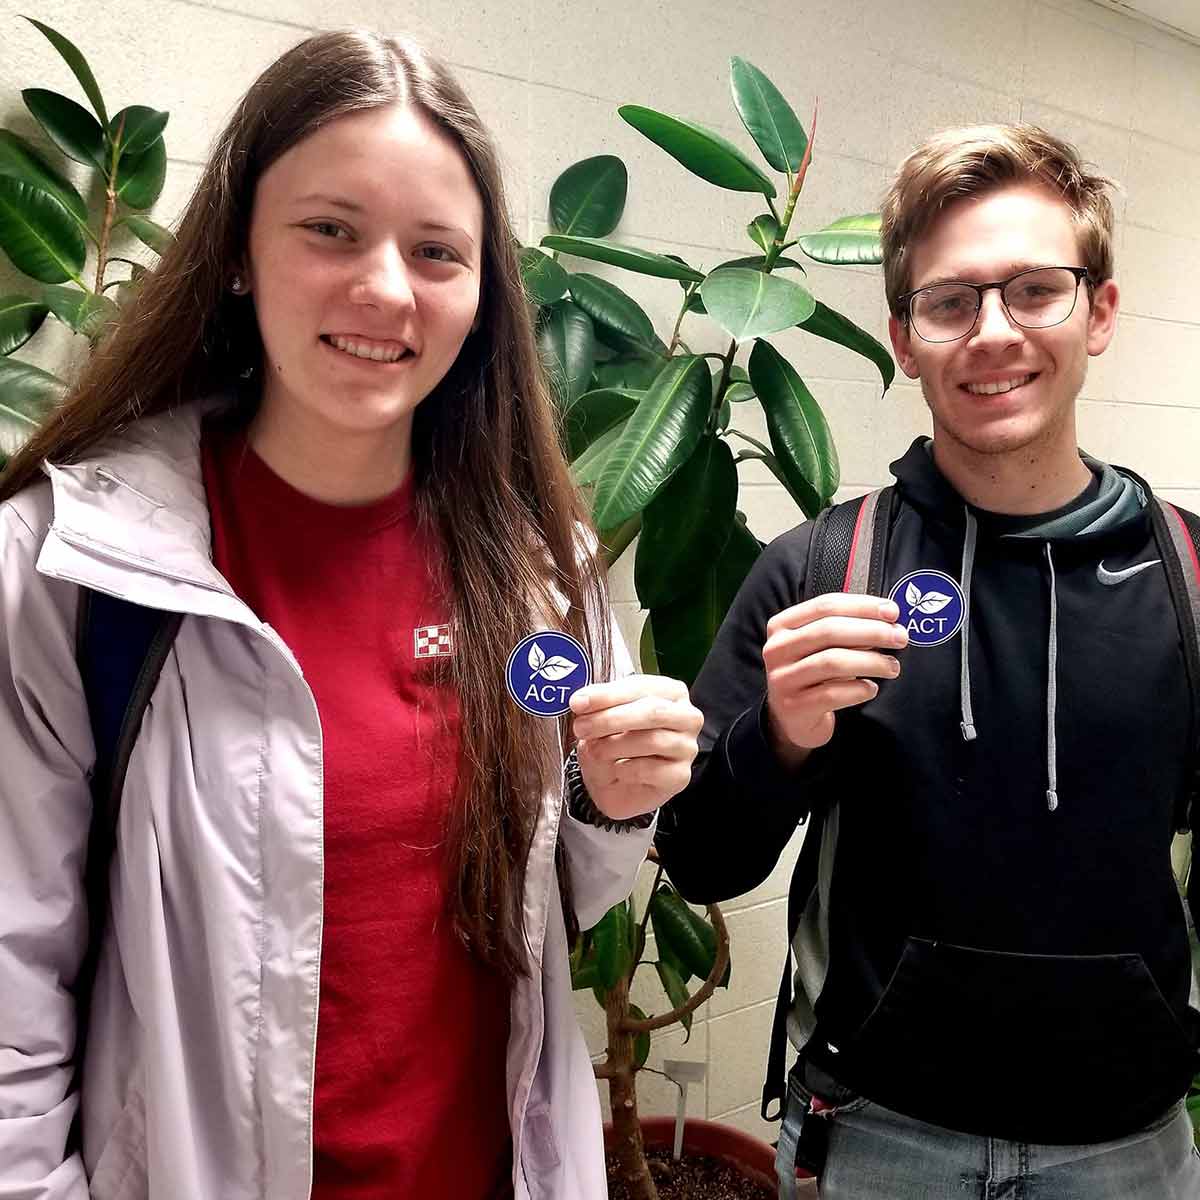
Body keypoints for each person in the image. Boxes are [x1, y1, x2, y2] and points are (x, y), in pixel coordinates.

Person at [0, 31, 703, 1200]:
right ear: (238, 251)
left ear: (482, 297)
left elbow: (555, 905)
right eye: (331, 229)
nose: (384, 287)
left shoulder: (541, 568)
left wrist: (610, 799)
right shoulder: (72, 572)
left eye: (437, 251)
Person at [654, 123, 1200, 1199]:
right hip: (875, 1135)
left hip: (1130, 1145)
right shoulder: (821, 568)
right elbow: (700, 860)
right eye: (951, 303)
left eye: (1036, 290)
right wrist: (784, 737)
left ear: (1099, 311)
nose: (993, 333)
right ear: (904, 338)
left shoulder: (1191, 576)